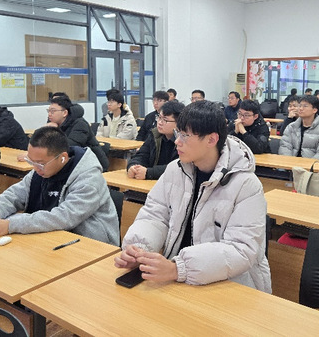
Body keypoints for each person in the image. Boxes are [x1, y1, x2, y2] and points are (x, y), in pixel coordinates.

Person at [115, 101, 271, 293]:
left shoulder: (247, 185)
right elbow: (154, 215)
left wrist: (178, 268)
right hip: (178, 278)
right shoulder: (175, 170)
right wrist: (140, 249)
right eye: (178, 133)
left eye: (185, 136)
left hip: (229, 285)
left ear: (211, 140)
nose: (177, 141)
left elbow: (240, 250)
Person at [0, 127, 119, 245]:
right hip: (51, 236)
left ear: (63, 157)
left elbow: (64, 217)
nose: (35, 168)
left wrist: (11, 225)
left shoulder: (89, 179)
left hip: (90, 243)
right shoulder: (41, 170)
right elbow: (14, 194)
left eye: (40, 163)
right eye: (31, 161)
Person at [46, 96, 110, 172]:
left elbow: (70, 148)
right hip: (74, 164)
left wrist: (54, 132)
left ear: (65, 113)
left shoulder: (80, 124)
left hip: (93, 165)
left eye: (53, 111)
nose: (49, 114)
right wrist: (45, 130)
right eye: (48, 111)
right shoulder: (53, 124)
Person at [127, 101, 185, 180]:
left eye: (165, 120)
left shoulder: (183, 141)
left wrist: (149, 173)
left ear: (178, 123)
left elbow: (179, 167)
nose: (160, 122)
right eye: (159, 117)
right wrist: (133, 166)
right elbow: (141, 155)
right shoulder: (155, 134)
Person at [279, 95, 319, 160]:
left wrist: (308, 164)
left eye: (305, 106)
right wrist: (288, 162)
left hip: (312, 165)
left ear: (314, 110)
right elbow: (285, 146)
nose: (301, 108)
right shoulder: (291, 127)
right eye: (300, 106)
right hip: (290, 163)